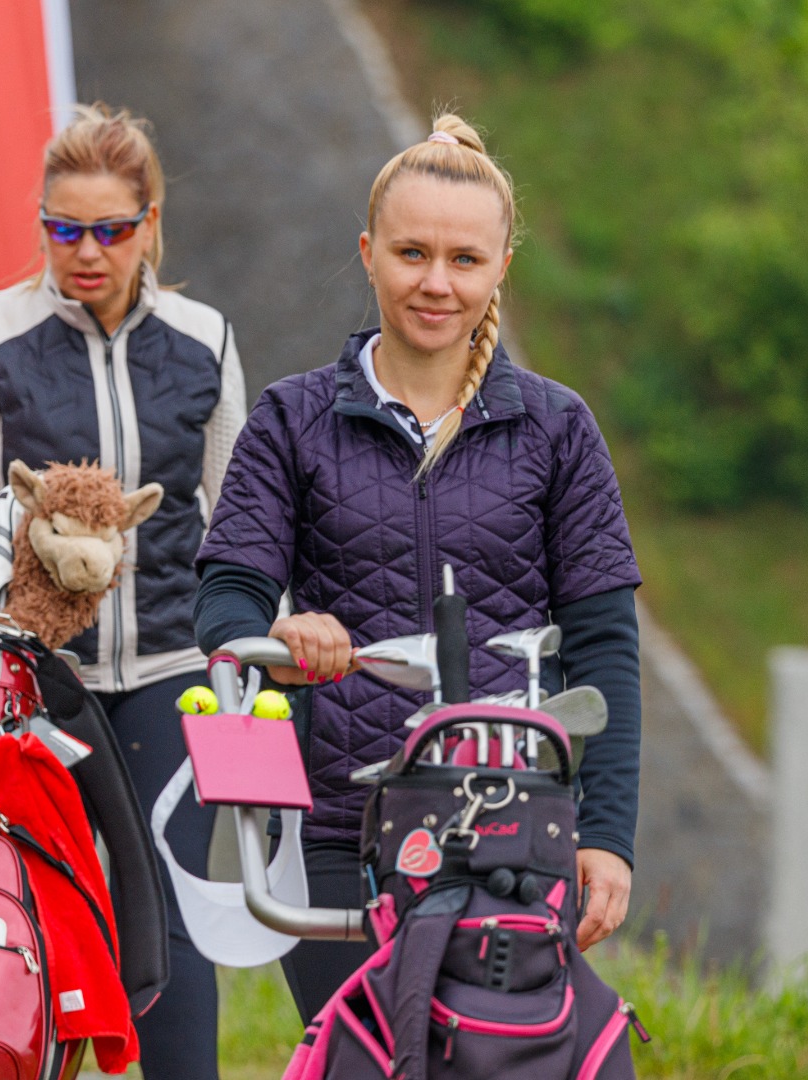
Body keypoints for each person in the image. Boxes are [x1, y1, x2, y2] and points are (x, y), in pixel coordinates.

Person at [193, 114, 643, 1021]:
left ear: (501, 266)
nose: (436, 283)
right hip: (334, 829)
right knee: (361, 1057)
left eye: (464, 260)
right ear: (368, 254)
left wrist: (606, 836)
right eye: (412, 253)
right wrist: (276, 632)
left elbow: (604, 648)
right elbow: (225, 599)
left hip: (517, 822)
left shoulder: (558, 428)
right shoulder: (290, 420)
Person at [0, 104, 246, 1080]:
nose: (87, 251)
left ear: (150, 223)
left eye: (111, 229)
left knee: (172, 910)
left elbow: (241, 516)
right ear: (42, 224)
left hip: (172, 670)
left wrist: (239, 645)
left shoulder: (205, 338)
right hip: (29, 679)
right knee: (24, 906)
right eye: (64, 228)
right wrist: (19, 560)